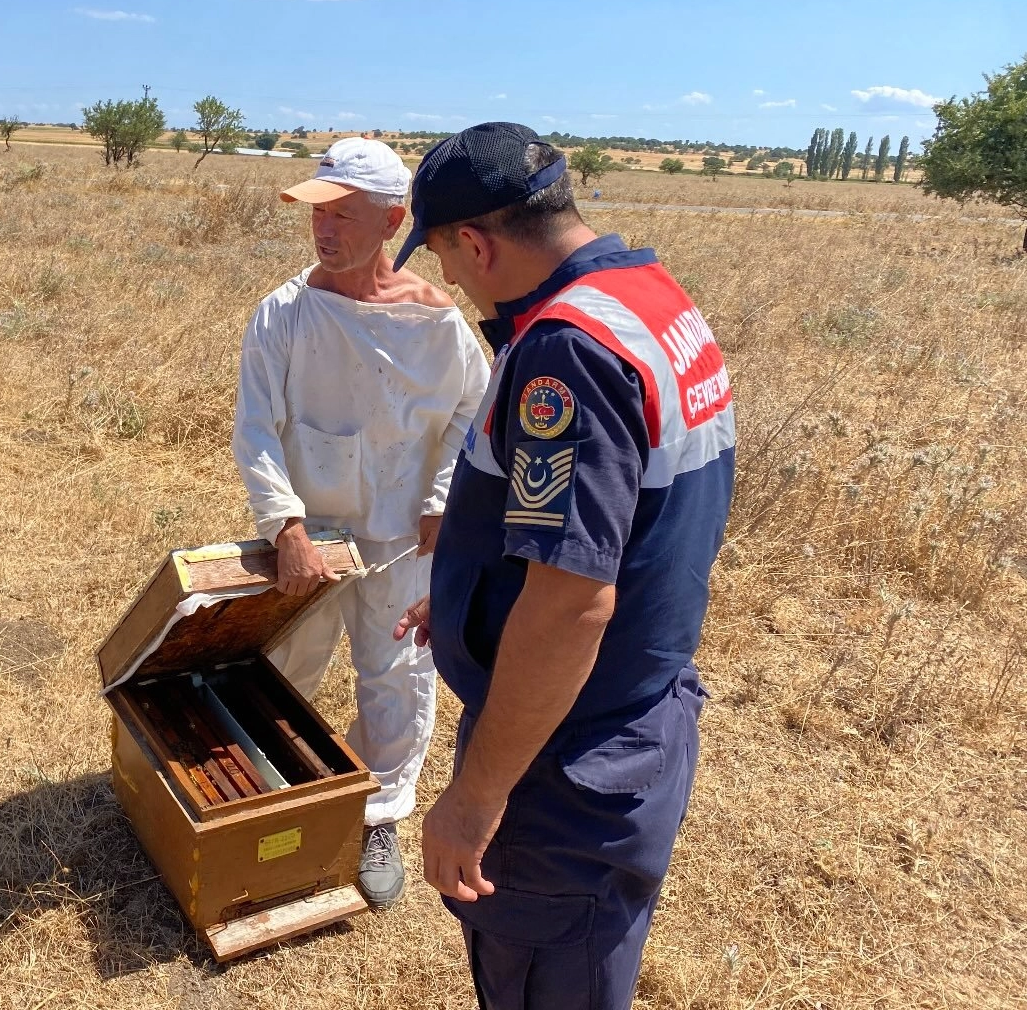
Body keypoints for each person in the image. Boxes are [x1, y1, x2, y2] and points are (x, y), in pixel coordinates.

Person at [391, 123, 734, 1007]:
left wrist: (473, 799)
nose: (451, 281)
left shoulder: (564, 351)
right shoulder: (646, 295)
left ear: (477, 241)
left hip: (565, 766)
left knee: (550, 976)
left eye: (443, 258)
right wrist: (472, 599)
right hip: (632, 721)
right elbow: (637, 521)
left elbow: (574, 603)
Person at [232, 137, 490, 908]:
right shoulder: (282, 314)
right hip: (310, 539)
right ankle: (269, 796)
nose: (325, 229)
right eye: (319, 212)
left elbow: (472, 412)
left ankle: (377, 814)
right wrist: (285, 529)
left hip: (403, 539)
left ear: (392, 220)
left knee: (396, 676)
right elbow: (256, 431)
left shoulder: (438, 323)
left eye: (345, 213)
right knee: (283, 670)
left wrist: (445, 497)